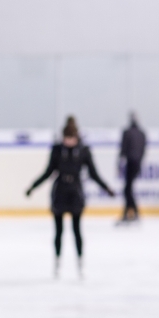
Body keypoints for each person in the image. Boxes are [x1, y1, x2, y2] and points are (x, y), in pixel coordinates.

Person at [26, 116, 115, 278]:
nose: (68, 142)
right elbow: (48, 172)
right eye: (66, 139)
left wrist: (106, 188)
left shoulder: (84, 150)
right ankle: (57, 262)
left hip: (75, 193)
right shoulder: (57, 149)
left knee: (77, 230)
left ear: (76, 137)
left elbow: (93, 174)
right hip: (59, 192)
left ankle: (80, 263)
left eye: (71, 139)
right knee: (58, 231)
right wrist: (33, 186)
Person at [117, 114, 146, 223]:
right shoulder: (142, 133)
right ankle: (130, 212)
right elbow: (143, 149)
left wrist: (119, 164)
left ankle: (132, 212)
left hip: (130, 163)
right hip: (137, 163)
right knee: (128, 189)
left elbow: (123, 149)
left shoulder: (127, 132)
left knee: (127, 189)